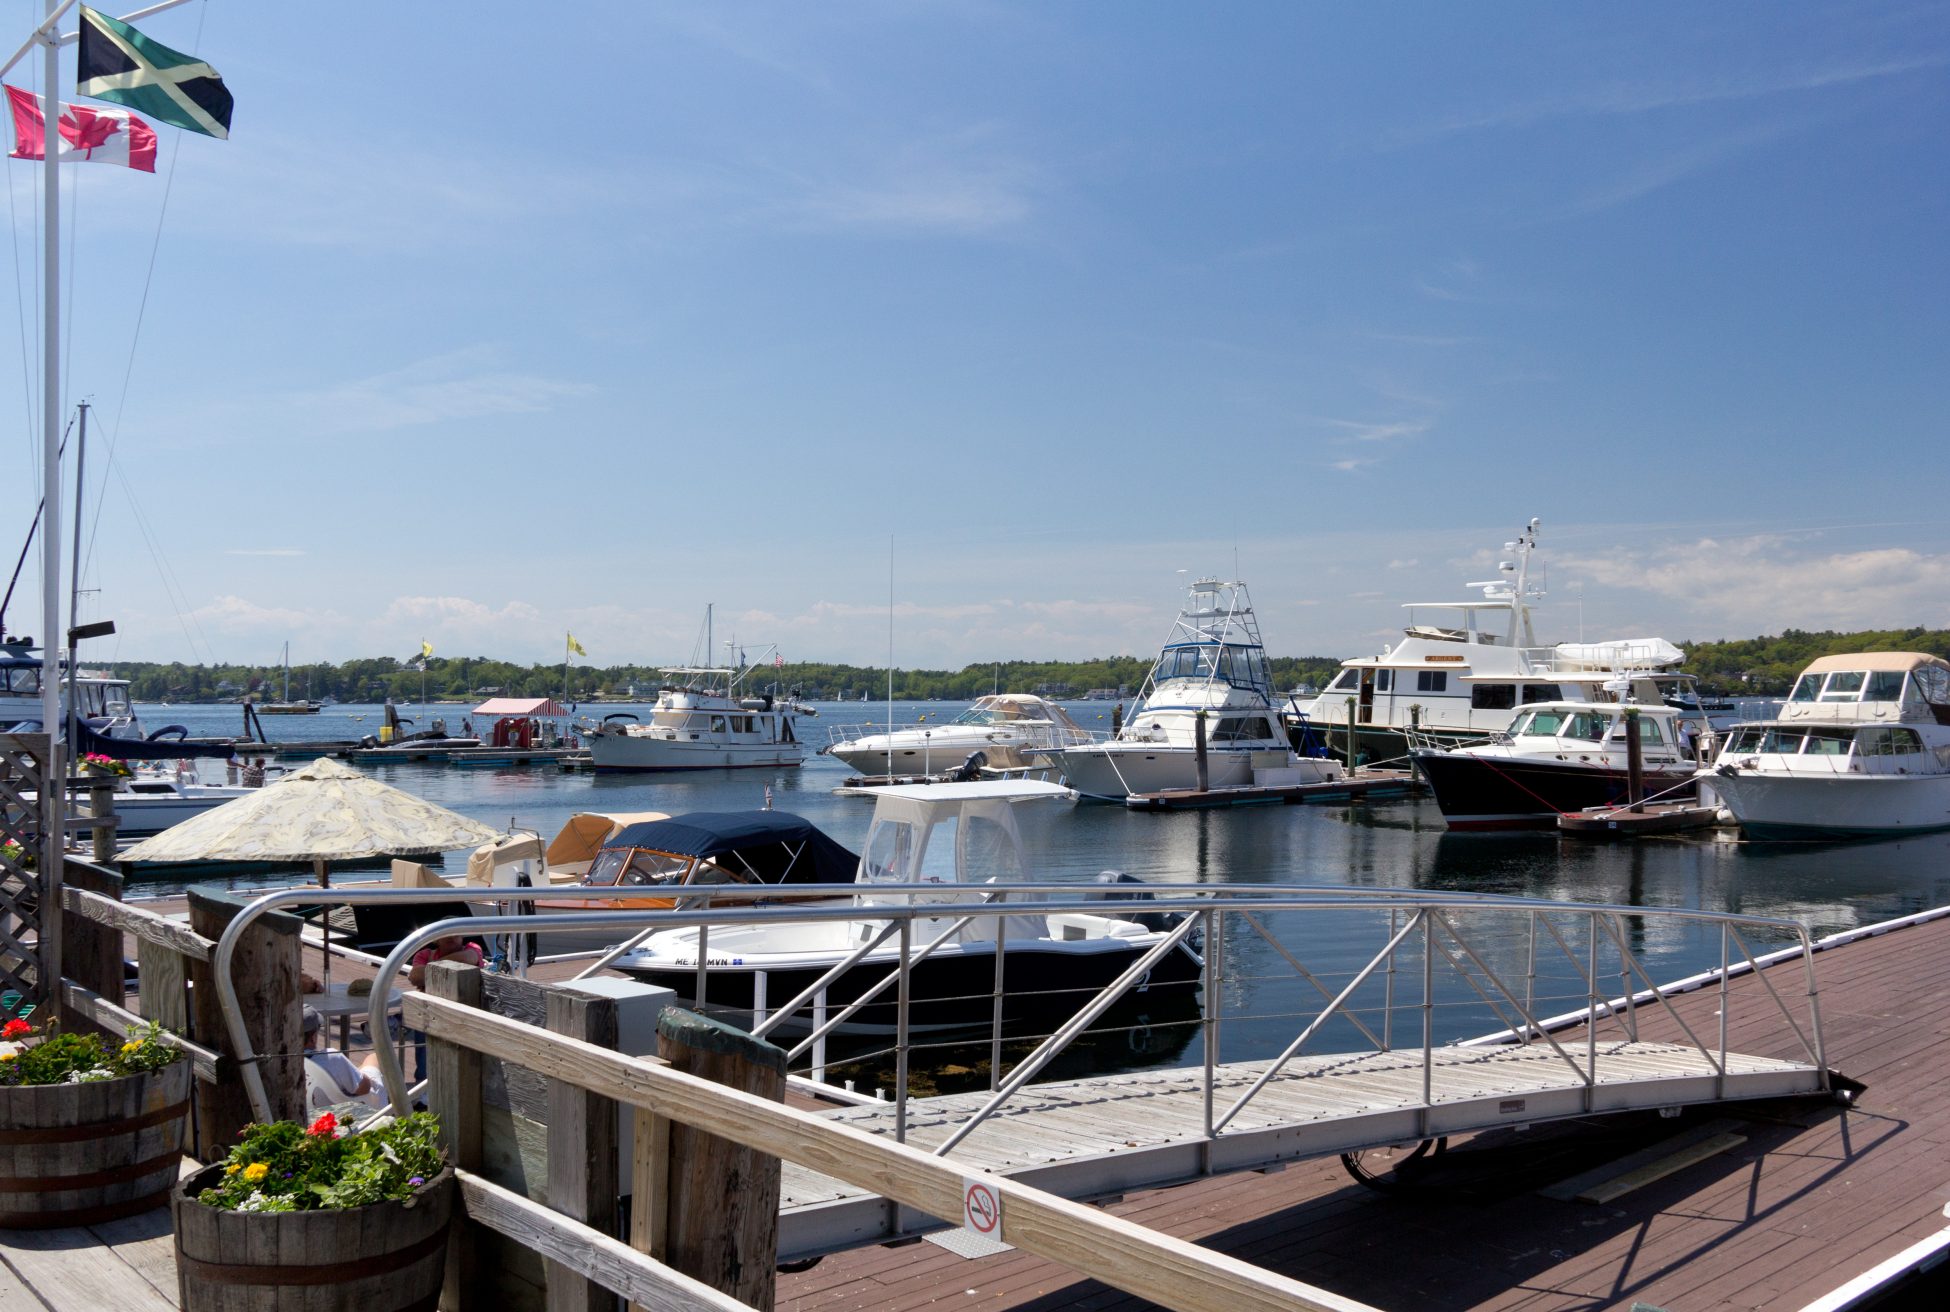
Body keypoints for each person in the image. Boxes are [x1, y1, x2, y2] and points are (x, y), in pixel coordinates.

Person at [404, 935, 485, 1084]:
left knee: (463, 1056)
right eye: (446, 934)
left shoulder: (472, 948)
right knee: (424, 1053)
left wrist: (430, 967)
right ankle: (423, 1091)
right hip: (430, 1011)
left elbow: (468, 958)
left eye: (456, 934)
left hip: (463, 1012)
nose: (451, 937)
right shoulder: (424, 954)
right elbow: (415, 976)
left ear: (462, 937)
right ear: (436, 939)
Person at [301, 1005, 384, 1111]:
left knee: (357, 1070)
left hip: (313, 1113)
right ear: (312, 1038)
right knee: (374, 1058)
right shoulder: (330, 1058)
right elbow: (364, 1088)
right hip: (350, 1112)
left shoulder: (280, 1060)